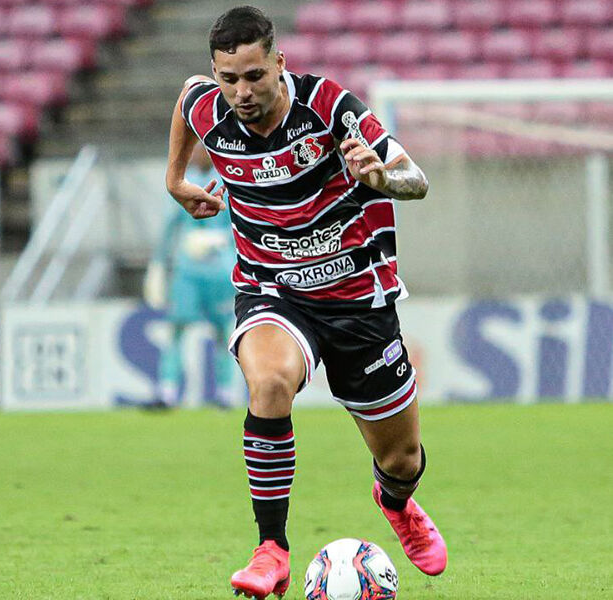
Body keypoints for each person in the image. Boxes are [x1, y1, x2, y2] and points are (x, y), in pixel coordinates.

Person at [165, 6, 445, 598]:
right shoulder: (209, 105)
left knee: (402, 460)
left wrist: (380, 180)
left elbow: (415, 179)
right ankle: (271, 549)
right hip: (273, 289)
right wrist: (176, 179)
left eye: (255, 76)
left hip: (357, 299)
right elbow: (186, 99)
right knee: (267, 383)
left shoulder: (330, 107)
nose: (241, 92)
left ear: (279, 63)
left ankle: (395, 503)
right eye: (229, 78)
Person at [144, 144, 238, 408]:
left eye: (202, 148)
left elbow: (241, 224)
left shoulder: (229, 182)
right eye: (194, 148)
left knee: (223, 331)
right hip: (188, 269)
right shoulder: (181, 182)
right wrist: (159, 264)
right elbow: (168, 226)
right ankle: (168, 391)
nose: (198, 153)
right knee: (176, 327)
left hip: (221, 268)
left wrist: (221, 241)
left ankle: (226, 393)